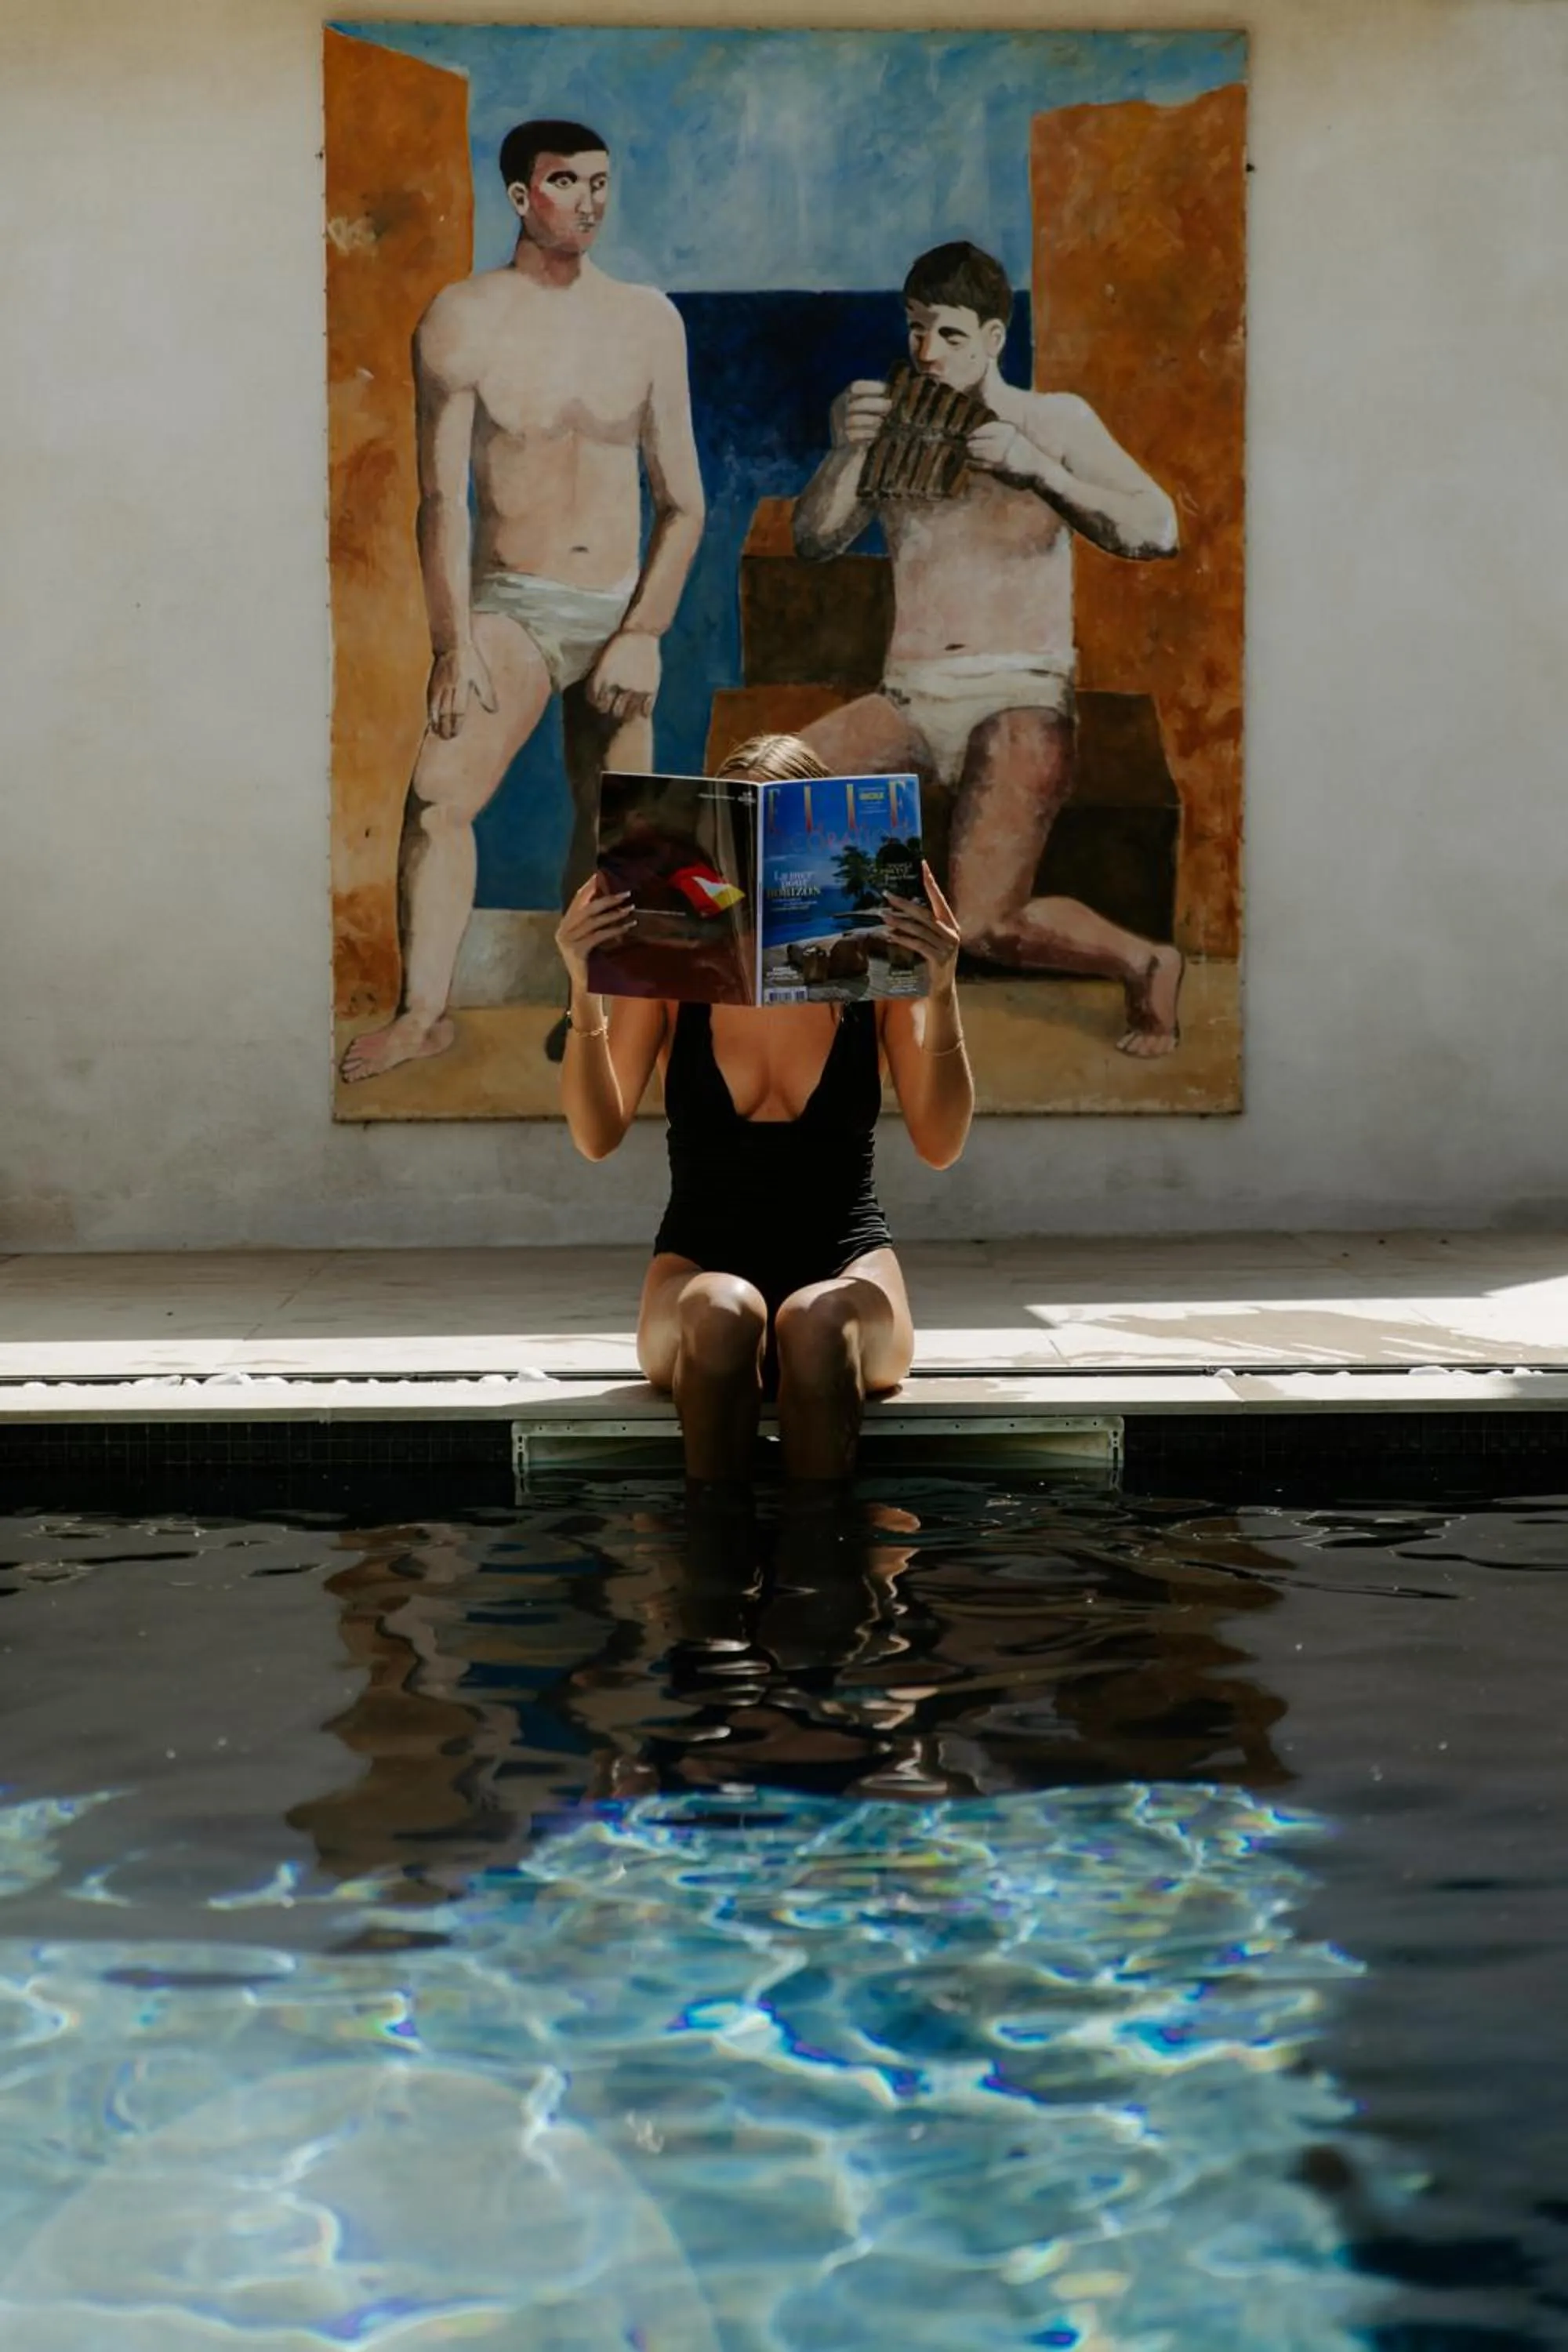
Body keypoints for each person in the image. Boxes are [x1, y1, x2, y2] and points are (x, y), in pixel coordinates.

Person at [340, 119, 705, 1083]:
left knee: (621, 828)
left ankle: (599, 1017)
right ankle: (424, 1015)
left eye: (599, 181)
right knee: (438, 801)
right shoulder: (464, 318)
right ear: (519, 197)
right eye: (564, 182)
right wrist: (452, 645)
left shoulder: (646, 321)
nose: (587, 200)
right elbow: (440, 501)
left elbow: (684, 503)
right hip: (513, 606)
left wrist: (646, 632)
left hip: (620, 609)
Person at [792, 240, 1185, 1057]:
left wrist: (1040, 470)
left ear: (995, 338)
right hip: (907, 697)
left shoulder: (1053, 420)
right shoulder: (894, 427)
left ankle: (1144, 961)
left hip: (1022, 696)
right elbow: (816, 541)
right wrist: (843, 452)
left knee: (981, 926)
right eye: (914, 331)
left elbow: (1157, 529)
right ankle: (867, 1013)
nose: (926, 353)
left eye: (949, 335)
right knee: (777, 792)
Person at [554, 733, 971, 1486]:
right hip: (699, 1268)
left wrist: (941, 992)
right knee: (723, 1306)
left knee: (816, 1321)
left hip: (845, 1264)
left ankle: (830, 1578)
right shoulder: (677, 977)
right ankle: (711, 1576)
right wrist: (584, 989)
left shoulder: (871, 978)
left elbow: (940, 1143)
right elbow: (595, 1135)